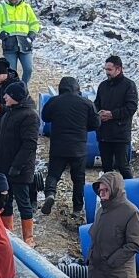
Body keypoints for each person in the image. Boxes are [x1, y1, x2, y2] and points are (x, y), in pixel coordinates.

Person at [40, 77, 101, 217]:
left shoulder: (54, 101)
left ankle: (50, 194)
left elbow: (45, 117)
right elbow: (96, 124)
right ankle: (77, 208)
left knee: (53, 174)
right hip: (78, 148)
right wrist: (84, 127)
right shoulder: (87, 103)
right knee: (78, 178)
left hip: (58, 146)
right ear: (76, 88)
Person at [0, 82, 40, 245]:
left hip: (20, 169)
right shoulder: (9, 113)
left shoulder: (30, 116)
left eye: (8, 94)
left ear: (17, 97)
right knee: (5, 201)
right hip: (4, 167)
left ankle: (28, 238)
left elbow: (29, 145)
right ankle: (8, 234)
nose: (4, 97)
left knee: (23, 202)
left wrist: (17, 166)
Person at [94, 55, 138, 180]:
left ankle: (132, 193)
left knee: (123, 166)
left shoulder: (129, 85)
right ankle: (110, 196)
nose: (106, 72)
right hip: (104, 133)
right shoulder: (103, 86)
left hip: (120, 134)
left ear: (118, 69)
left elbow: (131, 108)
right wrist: (97, 114)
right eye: (105, 69)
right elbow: (97, 104)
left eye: (109, 70)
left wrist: (112, 114)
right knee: (107, 168)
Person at [0, 0, 41, 85]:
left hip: (25, 43)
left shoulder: (26, 7)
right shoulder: (1, 7)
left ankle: (23, 89)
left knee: (28, 69)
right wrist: (2, 34)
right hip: (9, 44)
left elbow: (35, 23)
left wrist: (31, 35)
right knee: (11, 72)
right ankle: (12, 92)